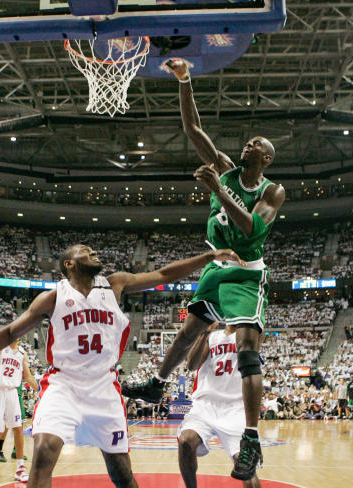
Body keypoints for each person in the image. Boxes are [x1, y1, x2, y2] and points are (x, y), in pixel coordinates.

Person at [0, 244, 243, 488]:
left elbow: (162, 275)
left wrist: (208, 257)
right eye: (86, 251)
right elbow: (11, 332)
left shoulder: (115, 285)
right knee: (43, 451)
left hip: (104, 388)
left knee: (121, 474)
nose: (93, 253)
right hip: (63, 385)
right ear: (69, 263)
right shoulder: (53, 297)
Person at [122, 59, 285, 482]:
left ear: (265, 157)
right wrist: (184, 81)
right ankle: (158, 381)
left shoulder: (271, 190)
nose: (248, 145)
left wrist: (217, 190)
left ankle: (249, 436)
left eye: (256, 144)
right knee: (188, 332)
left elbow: (251, 230)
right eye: (247, 142)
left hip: (248, 270)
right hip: (218, 263)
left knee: (248, 349)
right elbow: (194, 130)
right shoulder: (226, 166)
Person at [178, 322, 261, 488]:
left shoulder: (249, 335)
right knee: (186, 441)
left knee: (245, 467)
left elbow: (258, 337)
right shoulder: (212, 337)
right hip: (205, 405)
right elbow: (191, 365)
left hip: (236, 408)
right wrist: (204, 331)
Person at [0, 339, 38, 481]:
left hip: (12, 392)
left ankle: (20, 468)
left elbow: (27, 375)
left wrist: (40, 389)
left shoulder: (22, 353)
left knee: (18, 428)